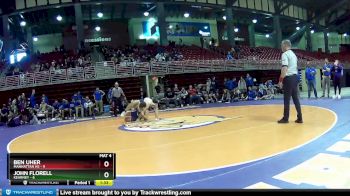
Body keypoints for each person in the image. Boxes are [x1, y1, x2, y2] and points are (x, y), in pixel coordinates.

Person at [278, 40, 302, 124]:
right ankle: (300, 118)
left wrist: (280, 80)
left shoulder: (285, 54)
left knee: (286, 99)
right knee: (295, 98)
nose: (281, 47)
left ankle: (285, 118)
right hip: (295, 77)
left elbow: (284, 68)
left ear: (285, 45)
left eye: (281, 45)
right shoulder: (293, 54)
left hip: (288, 78)